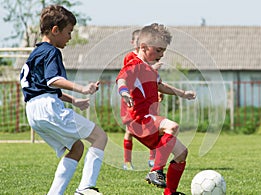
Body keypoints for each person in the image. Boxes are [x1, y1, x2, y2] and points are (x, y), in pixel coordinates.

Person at [19, 5, 107, 195]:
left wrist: (74, 100)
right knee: (100, 137)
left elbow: (44, 86)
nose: (70, 37)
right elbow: (53, 80)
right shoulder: (52, 52)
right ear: (55, 30)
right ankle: (85, 188)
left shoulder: (35, 54)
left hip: (33, 112)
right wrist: (82, 89)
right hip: (48, 108)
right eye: (69, 32)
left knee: (76, 147)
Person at [116, 23, 196, 195]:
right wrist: (124, 93)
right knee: (172, 126)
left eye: (164, 51)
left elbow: (160, 86)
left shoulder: (149, 69)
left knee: (182, 153)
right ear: (144, 47)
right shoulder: (134, 64)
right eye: (159, 50)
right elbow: (121, 79)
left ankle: (170, 193)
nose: (162, 55)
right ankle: (155, 170)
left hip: (148, 120)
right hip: (138, 119)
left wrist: (183, 94)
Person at [122, 29, 163, 170]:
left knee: (153, 127)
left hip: (148, 101)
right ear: (133, 43)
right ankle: (127, 161)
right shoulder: (130, 57)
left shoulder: (148, 59)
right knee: (130, 130)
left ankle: (153, 159)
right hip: (133, 102)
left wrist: (157, 91)